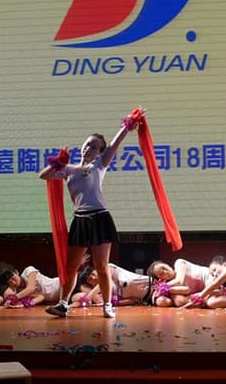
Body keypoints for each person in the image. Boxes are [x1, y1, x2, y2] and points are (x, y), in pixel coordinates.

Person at [39, 108, 146, 318]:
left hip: (99, 218)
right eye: (87, 144)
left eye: (94, 147)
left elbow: (115, 144)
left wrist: (127, 126)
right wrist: (59, 162)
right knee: (71, 267)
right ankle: (63, 304)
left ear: (99, 152)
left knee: (101, 266)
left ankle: (107, 304)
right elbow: (44, 176)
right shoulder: (68, 170)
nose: (89, 148)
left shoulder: (99, 164)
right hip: (80, 220)